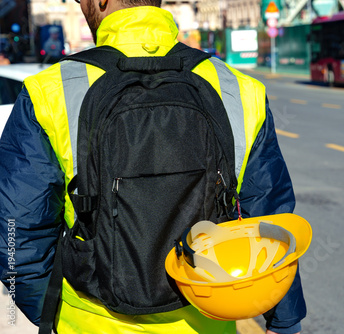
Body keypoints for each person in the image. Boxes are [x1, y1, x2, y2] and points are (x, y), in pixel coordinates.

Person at [0, 0, 306, 333]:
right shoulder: (238, 88)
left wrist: (51, 311)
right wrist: (284, 320)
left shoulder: (49, 92)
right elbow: (271, 223)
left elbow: (16, 231)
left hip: (89, 323)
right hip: (207, 321)